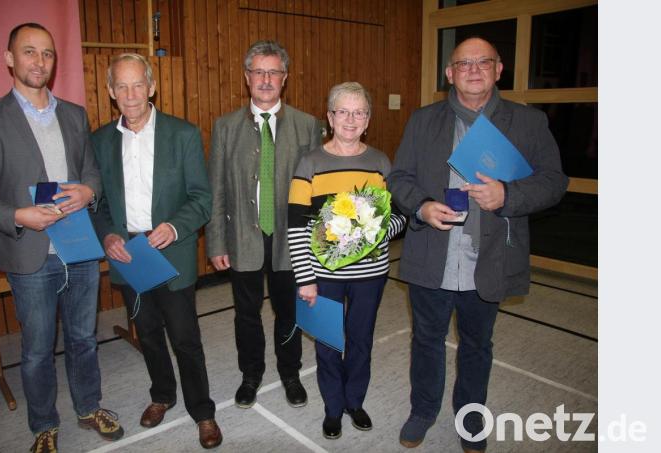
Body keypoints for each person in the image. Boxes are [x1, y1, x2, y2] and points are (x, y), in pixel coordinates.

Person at [388, 37, 568, 453]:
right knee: (426, 340)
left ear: (498, 69)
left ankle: (471, 418)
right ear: (449, 73)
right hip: (432, 253)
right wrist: (422, 207)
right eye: (463, 63)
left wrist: (509, 195)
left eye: (482, 62)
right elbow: (399, 179)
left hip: (489, 258)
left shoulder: (527, 122)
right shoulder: (423, 119)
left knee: (477, 345)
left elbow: (554, 181)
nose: (473, 69)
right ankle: (423, 410)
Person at [0, 23, 123, 453]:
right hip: (30, 255)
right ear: (10, 58)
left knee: (84, 339)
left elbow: (91, 172)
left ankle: (89, 407)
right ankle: (43, 425)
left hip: (80, 251)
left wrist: (88, 191)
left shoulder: (73, 114)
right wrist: (17, 215)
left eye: (48, 54)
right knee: (35, 350)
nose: (39, 61)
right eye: (29, 52)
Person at [90, 53, 222, 449]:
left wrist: (174, 226)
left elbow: (202, 198)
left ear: (151, 87)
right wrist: (109, 236)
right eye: (122, 87)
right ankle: (162, 394)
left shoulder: (181, 134)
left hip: (172, 248)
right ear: (112, 92)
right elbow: (98, 205)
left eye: (138, 85)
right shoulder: (99, 141)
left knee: (185, 336)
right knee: (146, 332)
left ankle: (203, 411)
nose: (131, 95)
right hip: (130, 252)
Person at [206, 40, 322, 409]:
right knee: (246, 313)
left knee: (289, 311)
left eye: (274, 72)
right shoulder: (225, 127)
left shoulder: (307, 126)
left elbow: (316, 192)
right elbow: (217, 189)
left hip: (293, 239)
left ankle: (290, 373)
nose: (266, 79)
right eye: (259, 72)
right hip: (243, 237)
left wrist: (318, 243)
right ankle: (251, 374)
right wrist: (216, 243)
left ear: (285, 78)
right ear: (247, 77)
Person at [288, 82, 407, 439]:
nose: (350, 119)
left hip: (371, 273)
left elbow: (400, 216)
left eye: (359, 112)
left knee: (360, 339)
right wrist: (305, 278)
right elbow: (295, 226)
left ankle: (355, 401)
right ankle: (333, 408)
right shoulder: (309, 163)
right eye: (343, 111)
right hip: (323, 274)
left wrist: (371, 234)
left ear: (368, 119)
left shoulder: (381, 162)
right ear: (330, 117)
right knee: (327, 341)